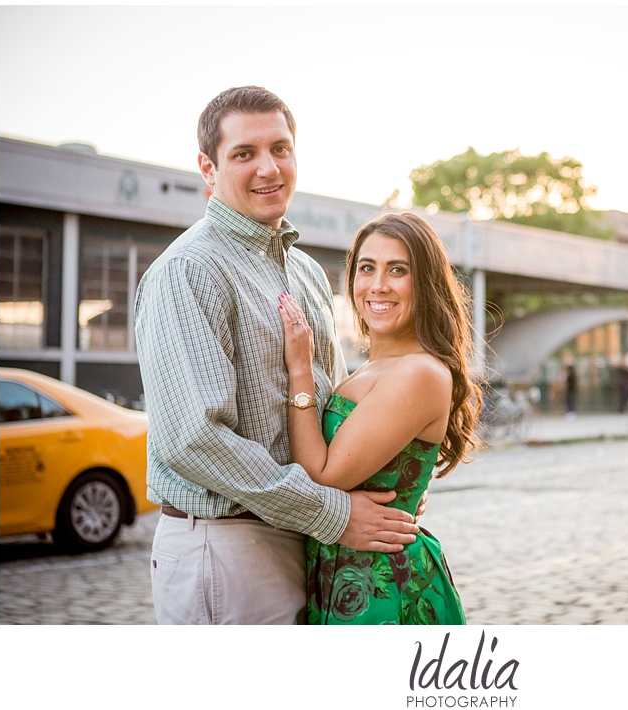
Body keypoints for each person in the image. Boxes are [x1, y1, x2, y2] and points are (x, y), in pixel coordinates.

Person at [134, 86, 419, 625]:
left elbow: (334, 408)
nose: (268, 168)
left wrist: (384, 490)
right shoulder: (189, 270)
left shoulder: (306, 271)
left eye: (280, 149)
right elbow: (193, 440)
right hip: (225, 545)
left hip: (301, 535)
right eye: (244, 154)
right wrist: (334, 514)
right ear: (208, 167)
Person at [278, 212, 480, 624]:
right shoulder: (371, 370)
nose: (378, 284)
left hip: (386, 587)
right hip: (339, 577)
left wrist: (299, 371)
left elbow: (324, 475)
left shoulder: (419, 372)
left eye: (398, 270)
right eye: (366, 268)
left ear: (425, 283)